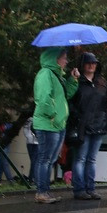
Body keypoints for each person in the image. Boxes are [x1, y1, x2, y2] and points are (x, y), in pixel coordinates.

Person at [32, 48, 78, 204]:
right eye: (64, 58)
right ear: (55, 59)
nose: (66, 61)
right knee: (45, 159)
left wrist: (73, 80)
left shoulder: (57, 76)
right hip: (48, 124)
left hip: (56, 124)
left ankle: (45, 191)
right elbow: (43, 98)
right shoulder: (46, 74)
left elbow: (65, 96)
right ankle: (41, 192)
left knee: (49, 160)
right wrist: (53, 116)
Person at [69, 52, 107, 200]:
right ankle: (79, 189)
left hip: (99, 125)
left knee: (91, 159)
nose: (91, 65)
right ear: (83, 65)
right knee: (80, 158)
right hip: (82, 125)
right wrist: (78, 117)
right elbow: (70, 101)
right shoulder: (77, 82)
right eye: (88, 63)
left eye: (94, 63)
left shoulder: (102, 82)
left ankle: (91, 187)